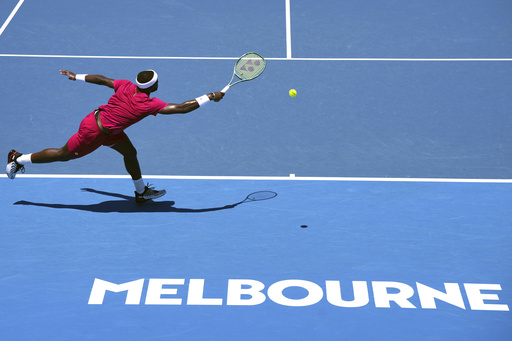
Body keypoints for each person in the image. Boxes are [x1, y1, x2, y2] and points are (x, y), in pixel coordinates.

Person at [6, 69, 224, 203]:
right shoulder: (150, 104)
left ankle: (141, 193)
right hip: (94, 133)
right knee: (63, 154)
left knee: (130, 152)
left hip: (107, 127)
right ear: (153, 86)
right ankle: (17, 157)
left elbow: (102, 79)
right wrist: (210, 96)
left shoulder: (126, 85)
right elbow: (182, 108)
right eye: (157, 81)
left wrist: (76, 77)